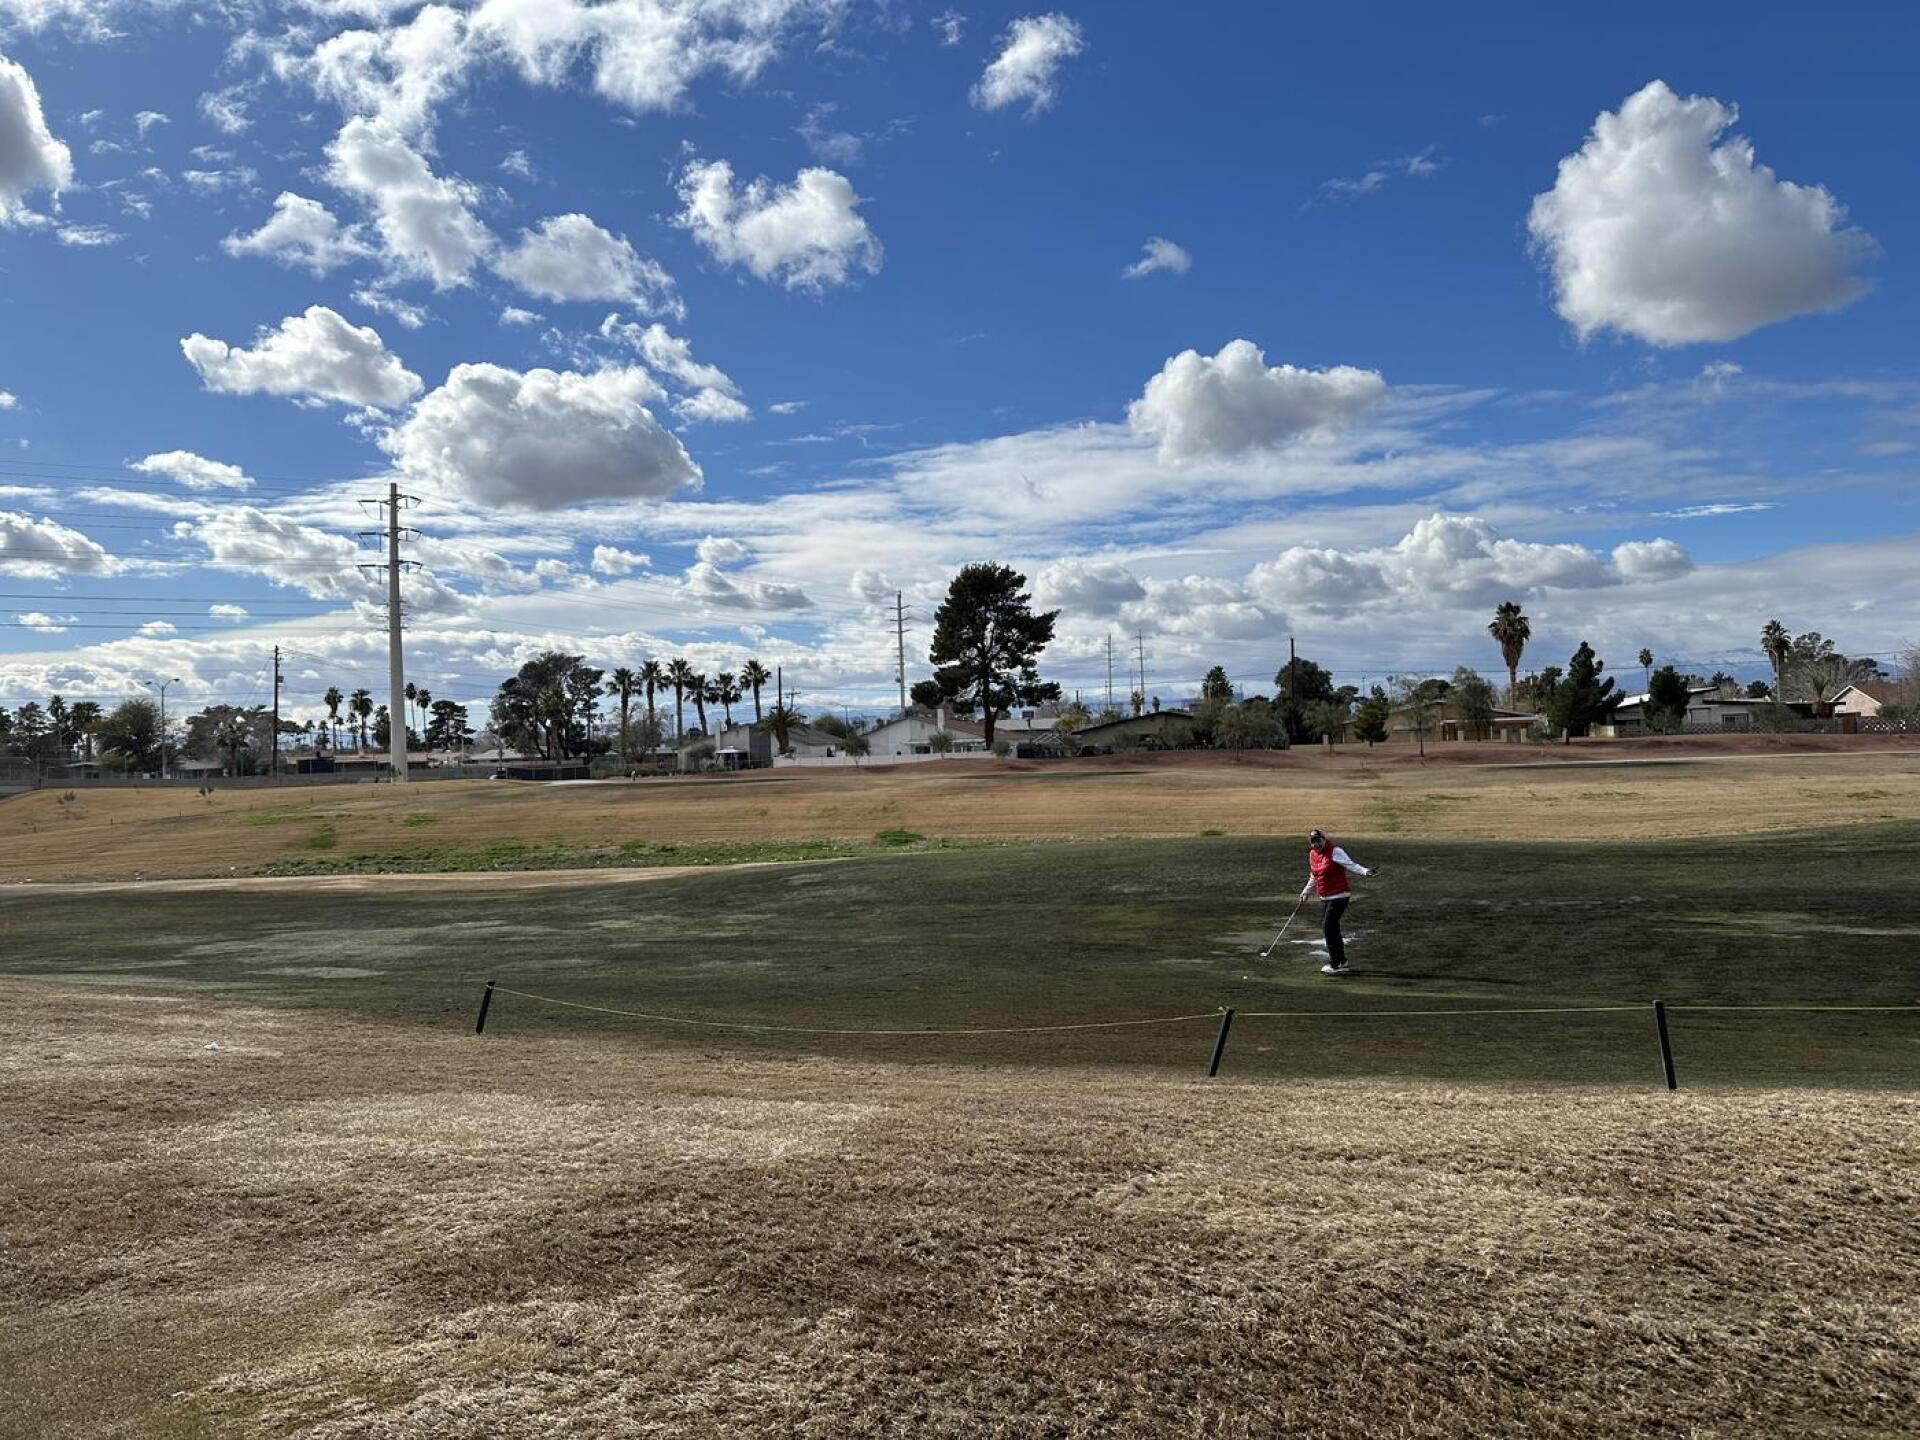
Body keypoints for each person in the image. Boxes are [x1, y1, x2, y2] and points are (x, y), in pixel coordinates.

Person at [1300, 828, 1378, 976]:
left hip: (1340, 896)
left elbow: (1351, 864)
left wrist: (1365, 871)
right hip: (1325, 898)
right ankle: (1342, 962)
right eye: (1313, 842)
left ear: (1324, 839)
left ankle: (1336, 963)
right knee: (1332, 929)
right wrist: (1305, 892)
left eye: (1319, 840)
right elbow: (1314, 875)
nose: (1317, 844)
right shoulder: (1313, 855)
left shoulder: (1335, 851)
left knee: (1328, 928)